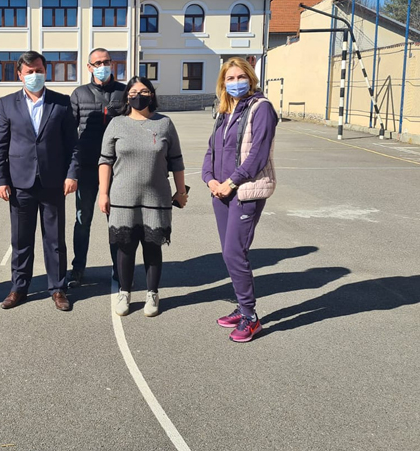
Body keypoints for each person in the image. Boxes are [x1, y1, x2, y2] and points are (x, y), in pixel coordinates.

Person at [0, 51, 79, 312]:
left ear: (45, 72)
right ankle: (19, 288)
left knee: (55, 240)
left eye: (38, 70)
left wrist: (71, 174)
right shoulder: (7, 103)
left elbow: (73, 145)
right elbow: (0, 145)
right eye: (29, 72)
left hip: (53, 182)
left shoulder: (61, 103)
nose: (34, 75)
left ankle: (58, 288)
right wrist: (0, 179)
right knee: (20, 240)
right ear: (20, 75)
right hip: (20, 183)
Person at [202, 57, 277, 343]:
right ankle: (241, 306)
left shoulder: (262, 108)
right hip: (220, 191)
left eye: (240, 77)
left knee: (235, 252)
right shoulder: (225, 110)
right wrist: (209, 179)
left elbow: (258, 154)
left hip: (243, 191)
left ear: (251, 78)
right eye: (230, 78)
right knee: (228, 253)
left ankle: (250, 316)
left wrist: (231, 182)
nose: (235, 83)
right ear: (223, 83)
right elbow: (211, 150)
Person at [99, 76, 187, 318]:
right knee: (125, 248)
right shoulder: (116, 124)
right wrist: (103, 193)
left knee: (152, 247)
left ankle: (152, 294)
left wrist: (181, 192)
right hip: (122, 198)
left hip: (156, 198)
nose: (139, 96)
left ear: (152, 95)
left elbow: (176, 160)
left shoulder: (164, 123)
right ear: (127, 96)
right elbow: (105, 160)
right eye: (134, 92)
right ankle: (124, 292)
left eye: (144, 91)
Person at [68, 47, 125, 287]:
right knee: (83, 221)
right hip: (87, 169)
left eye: (106, 62)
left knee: (117, 222)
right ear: (89, 67)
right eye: (97, 63)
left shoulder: (123, 92)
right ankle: (78, 269)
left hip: (117, 169)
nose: (103, 66)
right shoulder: (79, 94)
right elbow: (69, 133)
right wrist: (71, 171)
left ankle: (120, 269)